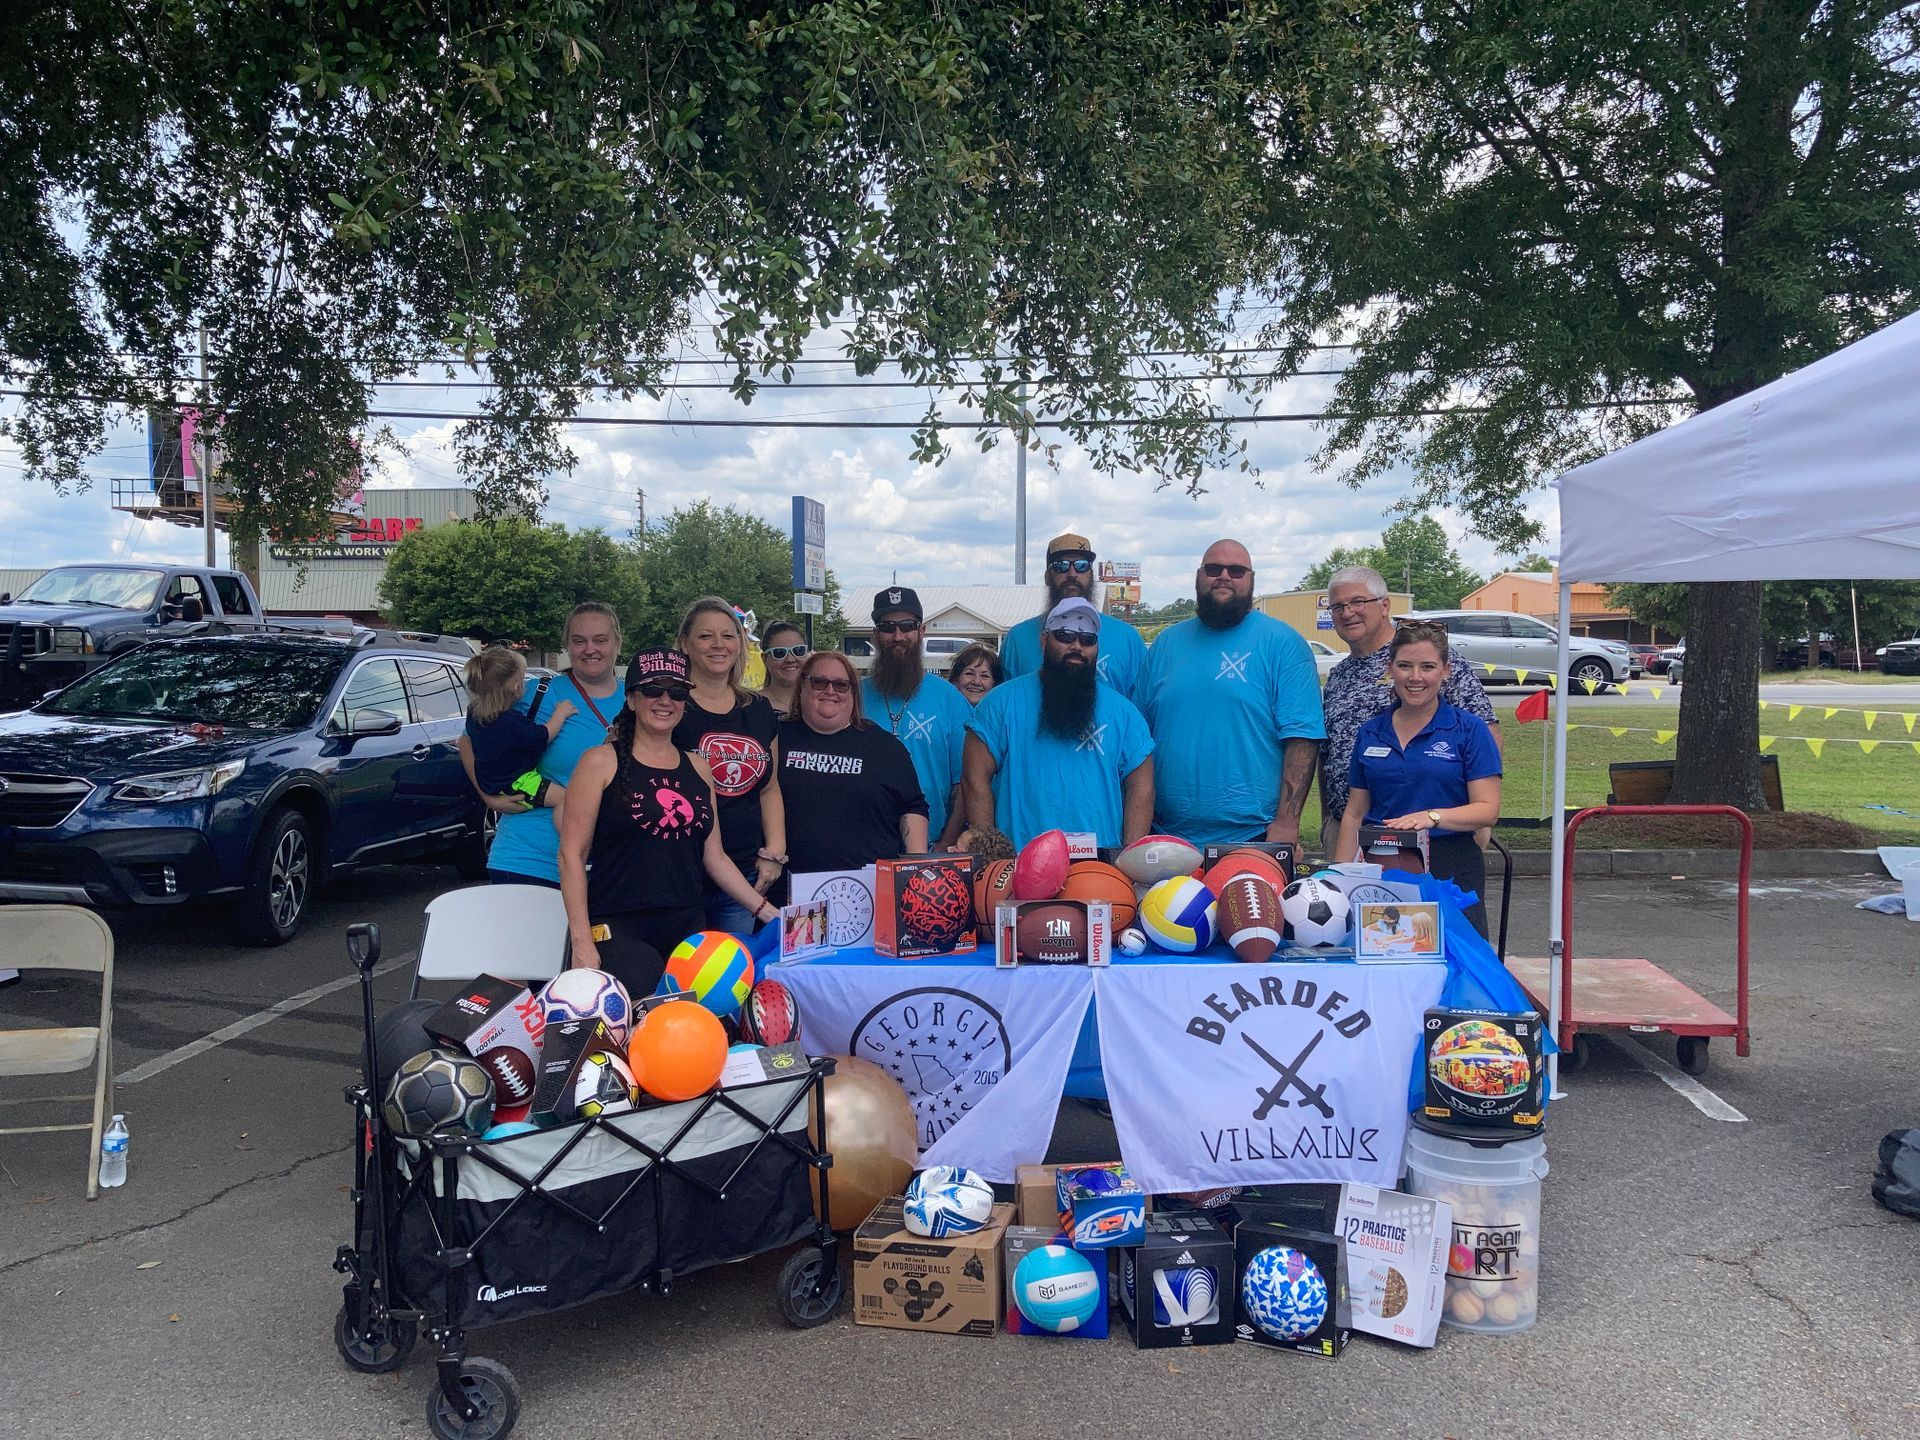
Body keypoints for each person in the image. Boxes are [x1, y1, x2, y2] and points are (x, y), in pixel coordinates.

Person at [559, 649, 779, 995]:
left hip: (688, 927)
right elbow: (571, 854)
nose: (665, 700)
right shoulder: (599, 762)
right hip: (620, 924)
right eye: (652, 690)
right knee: (643, 1019)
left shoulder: (698, 767)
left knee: (694, 1027)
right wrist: (582, 939)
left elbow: (715, 857)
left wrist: (767, 911)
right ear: (631, 699)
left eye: (677, 692)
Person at [1137, 539, 1324, 846]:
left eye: (1236, 570)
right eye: (1213, 569)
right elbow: (1138, 739)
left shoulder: (1284, 643)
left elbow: (1302, 737)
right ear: (1199, 576)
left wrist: (1287, 824)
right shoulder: (1165, 645)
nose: (1224, 576)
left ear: (1251, 579)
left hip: (1253, 836)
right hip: (1165, 836)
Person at [1319, 564, 1500, 860]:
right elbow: (1328, 753)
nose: (1347, 612)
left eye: (1357, 602)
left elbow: (1485, 734)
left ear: (1385, 605)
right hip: (1351, 830)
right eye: (1338, 606)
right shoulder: (1338, 676)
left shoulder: (1428, 654)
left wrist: (1476, 817)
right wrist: (1330, 817)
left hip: (1434, 835)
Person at [1335, 621, 1503, 936]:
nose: (1415, 677)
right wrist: (1341, 877)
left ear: (1446, 671)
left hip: (1451, 864)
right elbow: (1355, 813)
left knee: (1452, 965)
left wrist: (1430, 817)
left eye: (1427, 666)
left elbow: (1487, 809)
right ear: (1390, 669)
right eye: (1405, 666)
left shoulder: (1469, 730)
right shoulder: (1371, 731)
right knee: (1386, 955)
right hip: (1382, 866)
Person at [963, 597, 1154, 849]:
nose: (1076, 646)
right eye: (1064, 635)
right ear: (1044, 641)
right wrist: (990, 857)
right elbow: (974, 779)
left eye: (1087, 639)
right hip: (1020, 866)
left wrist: (1129, 859)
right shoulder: (1000, 703)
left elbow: (1143, 787)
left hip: (1099, 872)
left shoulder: (1124, 714)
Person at [461, 601, 627, 888]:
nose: (590, 649)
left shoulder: (637, 700)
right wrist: (490, 796)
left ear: (617, 643)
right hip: (529, 859)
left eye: (600, 640)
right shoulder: (533, 695)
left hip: (610, 867)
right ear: (567, 645)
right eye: (579, 641)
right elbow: (467, 742)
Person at [673, 597, 786, 932]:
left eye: (728, 635)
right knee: (679, 979)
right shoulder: (668, 706)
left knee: (730, 979)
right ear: (685, 644)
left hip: (743, 874)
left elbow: (770, 787)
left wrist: (774, 852)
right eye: (706, 636)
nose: (718, 645)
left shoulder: (759, 709)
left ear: (740, 644)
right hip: (680, 874)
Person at [777, 650, 929, 873]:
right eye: (819, 682)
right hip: (787, 891)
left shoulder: (885, 747)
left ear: (854, 692)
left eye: (841, 685)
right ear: (802, 685)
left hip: (870, 890)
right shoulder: (775, 738)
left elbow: (912, 806)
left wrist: (916, 871)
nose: (830, 691)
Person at [861, 586, 973, 847]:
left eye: (907, 626)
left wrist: (946, 845)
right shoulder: (853, 696)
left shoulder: (950, 699)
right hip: (862, 846)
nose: (898, 636)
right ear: (876, 635)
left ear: (922, 632)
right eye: (888, 627)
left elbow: (964, 784)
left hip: (931, 846)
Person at [999, 531, 1147, 700]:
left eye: (1082, 565)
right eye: (1061, 566)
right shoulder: (1017, 639)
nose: (1072, 574)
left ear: (1091, 576)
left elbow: (1142, 707)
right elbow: (1004, 703)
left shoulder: (1127, 638)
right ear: (1047, 577)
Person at [462, 647, 574, 813]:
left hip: (491, 782)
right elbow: (543, 736)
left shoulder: (474, 713)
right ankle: (568, 837)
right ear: (516, 688)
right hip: (517, 783)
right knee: (567, 800)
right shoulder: (510, 722)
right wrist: (560, 714)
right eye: (522, 679)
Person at [757, 619, 808, 716]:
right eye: (779, 653)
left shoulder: (820, 703)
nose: (790, 659)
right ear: (764, 659)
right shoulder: (749, 706)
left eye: (798, 651)